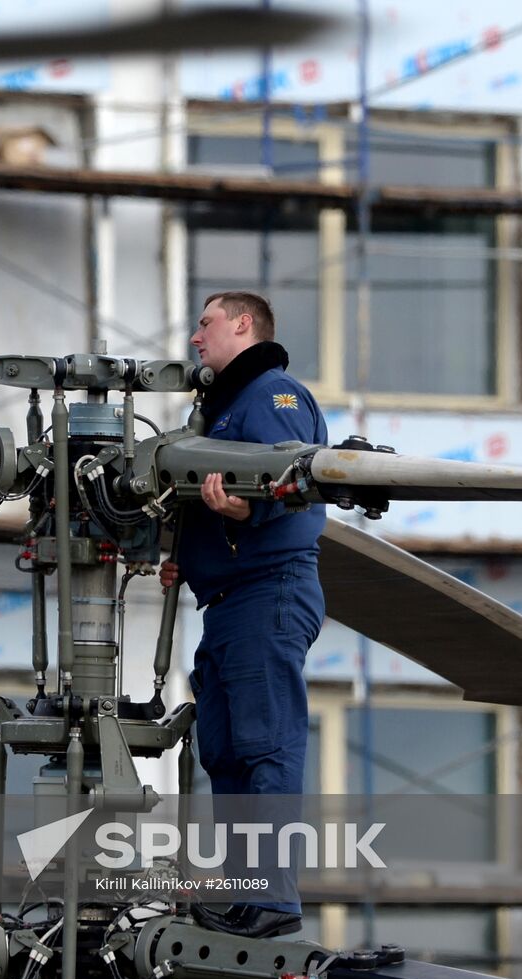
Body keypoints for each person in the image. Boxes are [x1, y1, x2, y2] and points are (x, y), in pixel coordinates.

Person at [160, 290, 327, 939]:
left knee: (265, 746)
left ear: (241, 324)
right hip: (227, 601)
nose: (196, 339)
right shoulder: (222, 411)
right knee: (226, 750)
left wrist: (241, 510)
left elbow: (290, 478)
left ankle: (273, 902)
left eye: (204, 324)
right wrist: (192, 556)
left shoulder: (271, 393)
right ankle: (242, 894)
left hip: (267, 592)